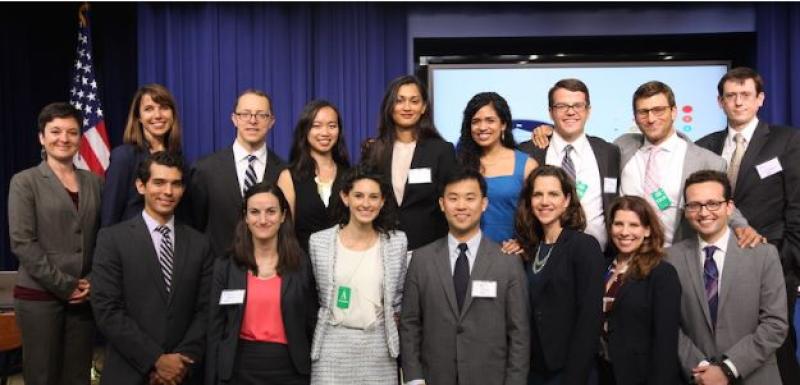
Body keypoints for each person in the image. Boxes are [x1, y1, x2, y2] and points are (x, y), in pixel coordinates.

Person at [695, 66, 800, 384]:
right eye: (731, 96)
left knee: (776, 354)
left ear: (760, 99)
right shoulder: (706, 145)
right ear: (720, 102)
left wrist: (780, 261)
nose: (738, 102)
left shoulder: (787, 141)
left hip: (773, 266)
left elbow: (797, 208)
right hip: (716, 268)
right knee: (724, 353)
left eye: (745, 95)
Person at [92, 151, 213, 385]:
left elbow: (205, 310)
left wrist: (180, 362)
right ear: (141, 186)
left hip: (182, 374)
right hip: (129, 372)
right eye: (159, 182)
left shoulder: (200, 244)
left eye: (175, 184)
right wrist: (156, 360)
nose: (168, 192)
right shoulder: (112, 239)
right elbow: (107, 310)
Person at [401, 168, 529, 385]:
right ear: (442, 204)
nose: (461, 206)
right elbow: (410, 324)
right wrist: (414, 378)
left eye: (470, 198)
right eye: (453, 198)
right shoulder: (421, 260)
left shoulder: (507, 262)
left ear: (484, 203)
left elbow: (519, 333)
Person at [8, 102, 101, 385]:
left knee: (77, 378)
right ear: (41, 137)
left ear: (79, 138)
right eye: (55, 131)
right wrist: (65, 284)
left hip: (83, 299)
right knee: (42, 377)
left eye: (72, 132)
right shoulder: (25, 181)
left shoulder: (95, 182)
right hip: (39, 299)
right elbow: (23, 242)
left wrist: (92, 280)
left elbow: (104, 237)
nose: (64, 138)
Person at [666, 170, 788, 385]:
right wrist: (702, 369)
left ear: (729, 207)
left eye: (713, 203)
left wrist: (727, 369)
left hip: (755, 377)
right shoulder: (671, 259)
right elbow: (669, 324)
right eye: (694, 205)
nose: (704, 213)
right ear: (686, 211)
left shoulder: (763, 254)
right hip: (698, 378)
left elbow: (775, 324)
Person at [615, 81, 761, 247]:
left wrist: (741, 226)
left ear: (673, 112)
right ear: (635, 117)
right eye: (643, 112)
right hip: (629, 253)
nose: (651, 118)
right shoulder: (621, 147)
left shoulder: (707, 161)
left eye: (658, 110)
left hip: (676, 255)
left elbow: (721, 203)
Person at [206, 182, 318, 385]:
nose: (263, 220)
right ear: (246, 217)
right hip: (238, 369)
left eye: (271, 212)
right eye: (255, 212)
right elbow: (215, 328)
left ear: (283, 215)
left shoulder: (301, 264)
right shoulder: (226, 266)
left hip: (290, 369)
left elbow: (311, 322)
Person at [308, 165, 407, 384]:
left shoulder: (396, 242)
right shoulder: (319, 242)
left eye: (374, 197)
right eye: (358, 196)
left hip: (379, 348)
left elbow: (398, 299)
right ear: (345, 197)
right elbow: (314, 296)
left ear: (382, 201)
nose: (366, 203)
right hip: (331, 347)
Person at [515, 165, 604, 385]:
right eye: (538, 194)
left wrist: (574, 377)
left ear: (566, 200)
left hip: (571, 371)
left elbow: (590, 319)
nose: (545, 201)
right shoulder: (529, 250)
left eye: (553, 194)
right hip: (533, 370)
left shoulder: (583, 246)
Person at [519, 79, 620, 251]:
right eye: (562, 106)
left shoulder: (609, 152)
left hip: (599, 258)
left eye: (578, 106)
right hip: (543, 257)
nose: (570, 112)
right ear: (551, 112)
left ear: (588, 110)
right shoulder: (529, 152)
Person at [189, 89, 291, 257]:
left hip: (269, 273)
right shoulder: (204, 170)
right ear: (234, 119)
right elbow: (195, 229)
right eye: (245, 114)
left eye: (261, 115)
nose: (253, 120)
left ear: (271, 121)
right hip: (218, 272)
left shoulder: (285, 172)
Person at [361, 75, 457, 251]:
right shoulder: (374, 151)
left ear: (423, 107)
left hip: (430, 248)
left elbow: (452, 202)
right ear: (390, 107)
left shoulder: (441, 150)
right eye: (399, 101)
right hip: (382, 246)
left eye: (414, 101)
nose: (407, 107)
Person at [597, 196, 681, 385]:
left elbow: (665, 342)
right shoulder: (602, 267)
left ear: (648, 230)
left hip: (639, 376)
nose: (625, 232)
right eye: (618, 224)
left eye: (634, 225)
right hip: (602, 372)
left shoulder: (662, 274)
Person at [456, 91, 537, 245]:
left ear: (503, 124)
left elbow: (538, 214)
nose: (482, 127)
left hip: (511, 255)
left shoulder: (527, 165)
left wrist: (524, 243)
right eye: (476, 121)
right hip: (468, 255)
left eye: (490, 120)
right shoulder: (459, 164)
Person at [101, 83, 183, 227]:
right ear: (138, 117)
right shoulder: (124, 157)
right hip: (131, 245)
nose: (158, 115)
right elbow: (109, 217)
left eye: (164, 108)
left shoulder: (180, 159)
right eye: (149, 109)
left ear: (172, 114)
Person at [278, 100, 351, 252]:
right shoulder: (289, 177)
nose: (325, 133)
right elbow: (284, 232)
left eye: (332, 126)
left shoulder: (350, 175)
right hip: (302, 266)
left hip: (346, 268)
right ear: (305, 130)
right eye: (316, 126)